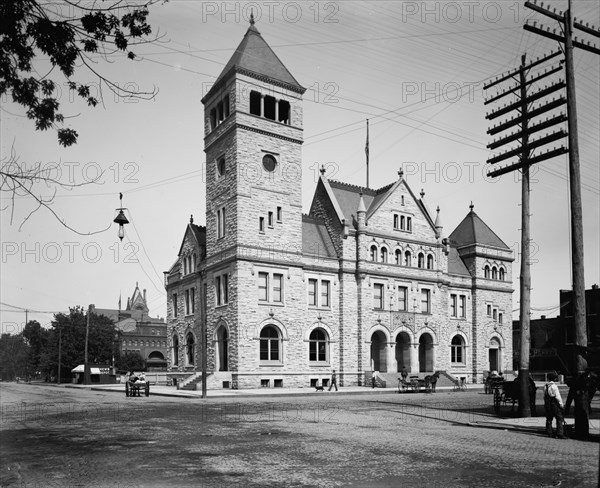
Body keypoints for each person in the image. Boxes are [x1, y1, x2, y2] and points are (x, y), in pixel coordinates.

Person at [544, 371, 565, 439]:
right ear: (555, 379)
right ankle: (560, 433)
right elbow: (558, 397)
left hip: (547, 403)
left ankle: (549, 432)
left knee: (549, 418)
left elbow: (545, 396)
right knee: (559, 418)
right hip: (554, 403)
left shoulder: (545, 386)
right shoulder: (554, 386)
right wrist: (561, 405)